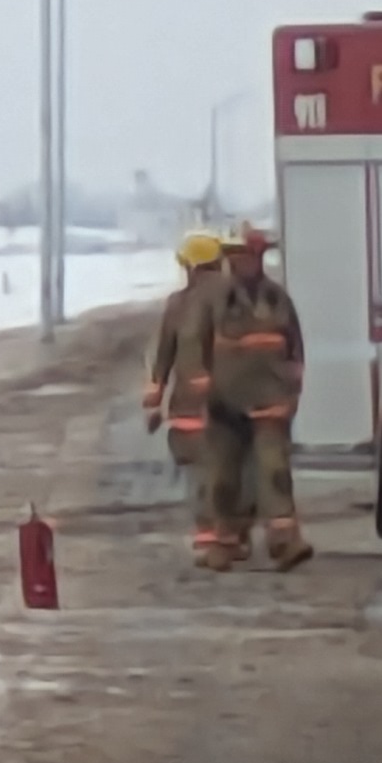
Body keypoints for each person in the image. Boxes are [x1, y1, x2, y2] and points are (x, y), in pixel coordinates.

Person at [174, 222, 311, 571]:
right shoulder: (213, 299)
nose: (241, 262)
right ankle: (225, 543)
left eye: (247, 255)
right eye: (235, 255)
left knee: (274, 471)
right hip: (224, 403)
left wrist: (292, 387)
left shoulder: (277, 298)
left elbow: (295, 346)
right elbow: (192, 340)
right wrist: (200, 380)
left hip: (269, 401)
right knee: (223, 476)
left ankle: (285, 541)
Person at [146, 229, 235, 561]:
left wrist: (154, 398)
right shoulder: (237, 298)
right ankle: (229, 538)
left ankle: (211, 539)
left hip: (189, 408)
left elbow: (164, 355)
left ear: (191, 267)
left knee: (199, 476)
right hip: (231, 406)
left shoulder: (179, 303)